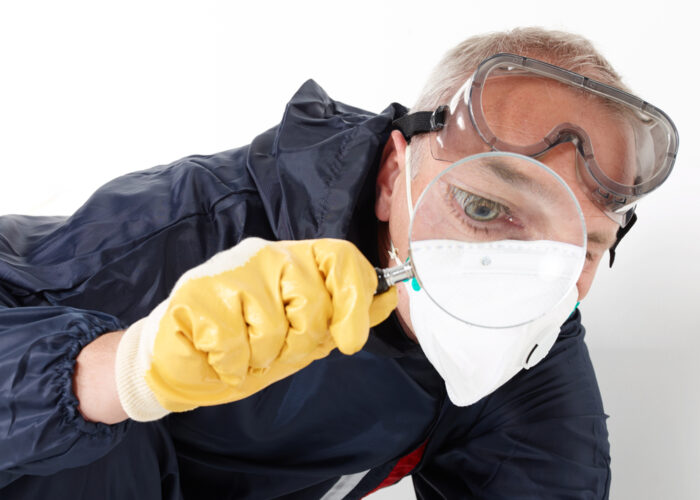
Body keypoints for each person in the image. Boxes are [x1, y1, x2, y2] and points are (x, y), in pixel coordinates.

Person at [0, 27, 678, 499]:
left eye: (581, 247)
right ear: (393, 176)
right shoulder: (200, 222)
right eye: (482, 209)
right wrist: (114, 372)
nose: (519, 269)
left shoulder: (535, 338)